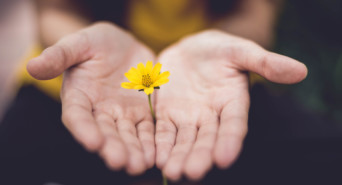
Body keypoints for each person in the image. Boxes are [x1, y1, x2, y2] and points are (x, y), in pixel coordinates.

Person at [2, 0, 341, 184]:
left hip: (211, 87)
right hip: (82, 85)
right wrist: (78, 43)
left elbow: (254, 14)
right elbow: (55, 8)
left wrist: (227, 41)